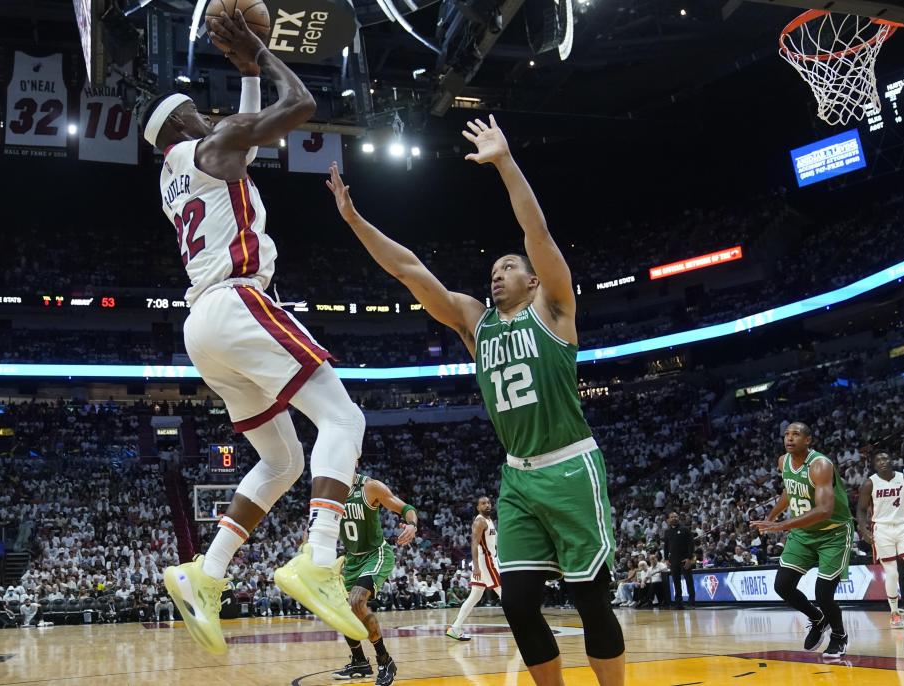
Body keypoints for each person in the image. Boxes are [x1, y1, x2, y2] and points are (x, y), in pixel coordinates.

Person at [327, 115, 624, 686]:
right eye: (493, 269)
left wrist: (506, 163)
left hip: (570, 466)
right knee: (515, 604)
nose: (498, 274)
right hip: (517, 477)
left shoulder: (555, 311)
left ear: (534, 282)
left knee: (591, 599)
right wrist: (355, 219)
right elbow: (410, 269)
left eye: (509, 267)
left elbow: (537, 234)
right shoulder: (475, 323)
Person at [140, 10, 367, 653]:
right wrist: (263, 54)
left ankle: (205, 574)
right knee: (345, 420)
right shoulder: (214, 143)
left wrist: (243, 76)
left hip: (201, 327)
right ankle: (319, 557)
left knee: (282, 460)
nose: (210, 117)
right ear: (184, 122)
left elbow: (243, 139)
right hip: (238, 302)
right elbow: (302, 104)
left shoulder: (175, 173)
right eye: (198, 113)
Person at [752, 422, 853, 658]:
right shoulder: (783, 461)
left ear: (807, 440)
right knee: (783, 585)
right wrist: (771, 516)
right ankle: (818, 618)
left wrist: (781, 525)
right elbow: (790, 489)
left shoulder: (820, 465)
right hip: (804, 534)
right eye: (786, 434)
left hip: (833, 533)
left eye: (796, 434)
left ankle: (839, 635)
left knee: (824, 594)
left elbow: (825, 509)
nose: (789, 438)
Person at [331, 473, 418, 685]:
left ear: (355, 459)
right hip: (351, 559)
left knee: (356, 601)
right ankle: (360, 662)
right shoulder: (331, 491)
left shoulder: (370, 487)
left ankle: (385, 660)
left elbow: (405, 508)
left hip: (375, 554)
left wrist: (411, 525)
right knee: (343, 611)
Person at [856, 451, 904, 629]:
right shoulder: (869, 484)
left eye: (885, 458)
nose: (882, 462)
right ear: (874, 465)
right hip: (882, 529)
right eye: (878, 460)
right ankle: (894, 613)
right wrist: (863, 530)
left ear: (892, 460)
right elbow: (862, 510)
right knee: (893, 573)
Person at [447, 496, 501, 640]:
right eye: (483, 503)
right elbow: (474, 544)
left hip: (489, 560)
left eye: (489, 503)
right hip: (486, 562)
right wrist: (476, 566)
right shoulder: (480, 521)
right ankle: (523, 629)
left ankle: (455, 627)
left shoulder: (489, 521)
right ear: (478, 507)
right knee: (505, 593)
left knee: (475, 596)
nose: (487, 505)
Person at [664, 512, 695, 609]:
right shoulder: (667, 532)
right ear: (668, 519)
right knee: (676, 583)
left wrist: (689, 558)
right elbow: (666, 546)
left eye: (676, 517)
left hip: (684, 560)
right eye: (672, 517)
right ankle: (679, 603)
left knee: (689, 581)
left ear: (678, 518)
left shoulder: (684, 529)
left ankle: (691, 603)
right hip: (673, 561)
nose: (674, 518)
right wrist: (666, 559)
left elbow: (691, 544)